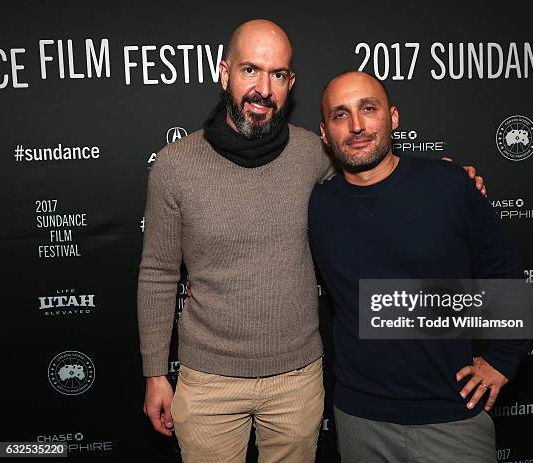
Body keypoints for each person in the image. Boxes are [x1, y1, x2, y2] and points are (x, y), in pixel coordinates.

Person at [137, 20, 486, 463]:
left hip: (298, 381)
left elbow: (376, 171)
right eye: (250, 70)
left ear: (290, 84)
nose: (263, 88)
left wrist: (446, 181)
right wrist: (154, 373)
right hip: (208, 382)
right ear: (224, 73)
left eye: (278, 75)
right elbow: (158, 274)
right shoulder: (175, 165)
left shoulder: (315, 154)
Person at [307, 71, 528, 463]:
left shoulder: (448, 184)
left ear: (393, 117)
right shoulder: (318, 205)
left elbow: (505, 271)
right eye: (341, 115)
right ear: (325, 133)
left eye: (368, 109)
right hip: (360, 420)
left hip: (452, 417)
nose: (356, 126)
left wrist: (502, 359)